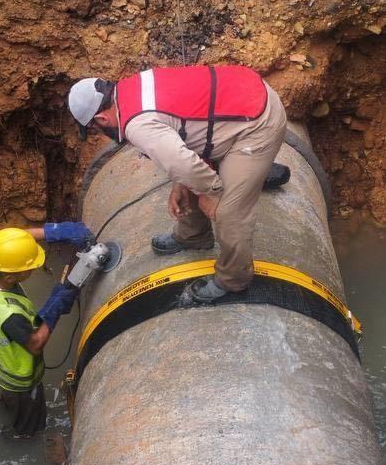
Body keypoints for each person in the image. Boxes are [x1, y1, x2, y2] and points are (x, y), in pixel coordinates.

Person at [67, 64, 287, 303]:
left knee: (230, 210)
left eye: (95, 129)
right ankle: (194, 235)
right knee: (192, 180)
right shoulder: (132, 86)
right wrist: (180, 184)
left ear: (101, 118)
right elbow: (183, 135)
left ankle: (234, 280)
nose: (100, 133)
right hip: (238, 102)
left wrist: (212, 192)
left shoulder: (137, 125)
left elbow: (187, 165)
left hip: (256, 123)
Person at [0, 223, 91, 439]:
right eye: (30, 267)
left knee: (10, 396)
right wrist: (54, 307)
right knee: (31, 423)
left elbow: (13, 242)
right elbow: (35, 343)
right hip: (18, 375)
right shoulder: (7, 314)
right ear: (10, 277)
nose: (34, 268)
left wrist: (53, 232)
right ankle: (19, 439)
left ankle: (8, 403)